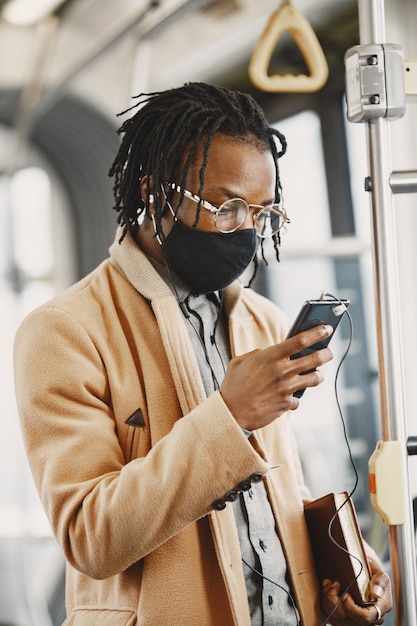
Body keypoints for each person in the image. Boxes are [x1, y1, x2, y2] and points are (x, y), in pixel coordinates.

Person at [14, 82, 392, 625]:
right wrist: (229, 416)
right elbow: (90, 537)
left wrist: (344, 572)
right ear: (154, 192)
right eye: (226, 206)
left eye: (263, 213)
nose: (247, 230)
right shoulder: (64, 332)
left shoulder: (261, 320)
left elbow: (278, 494)